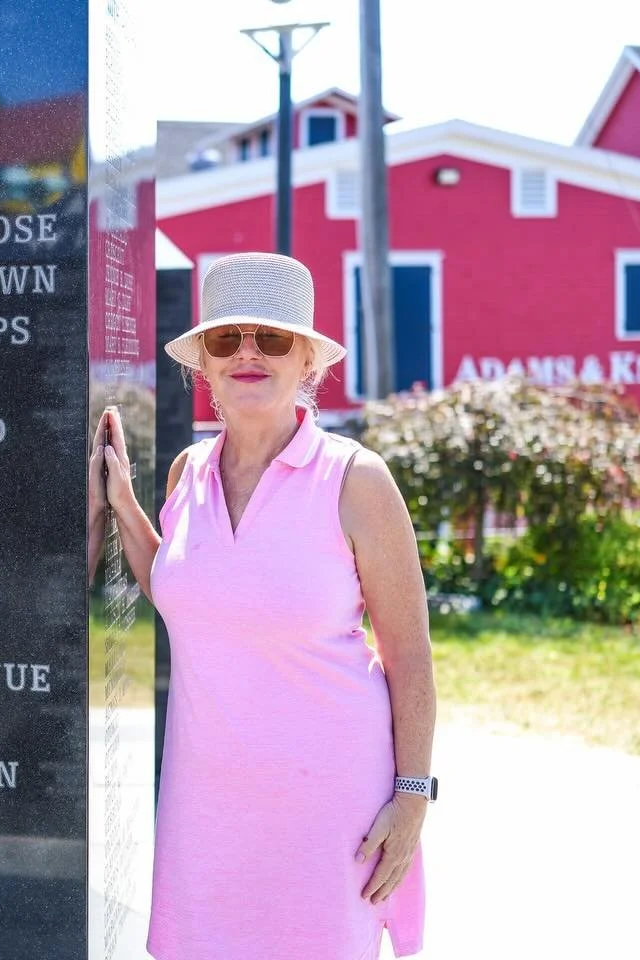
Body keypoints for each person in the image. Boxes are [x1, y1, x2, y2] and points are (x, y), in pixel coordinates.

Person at [91, 253, 435, 959]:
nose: (248, 353)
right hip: (206, 804)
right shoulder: (188, 474)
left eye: (272, 339)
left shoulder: (356, 480)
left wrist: (411, 799)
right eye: (227, 339)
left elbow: (410, 659)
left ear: (307, 359)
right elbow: (191, 594)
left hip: (330, 807)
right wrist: (123, 504)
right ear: (204, 367)